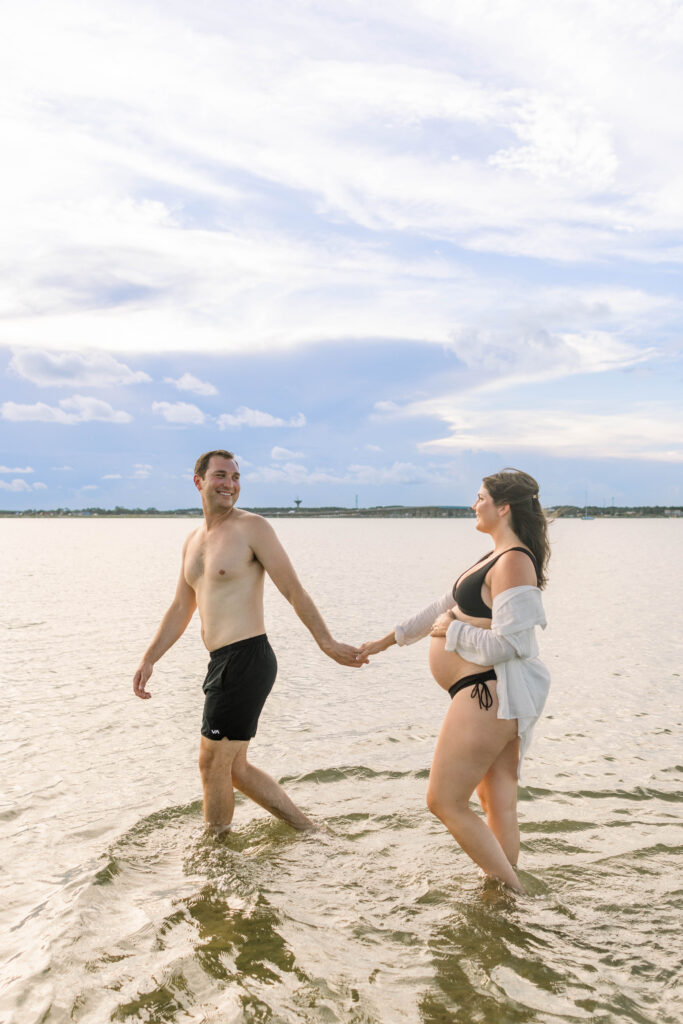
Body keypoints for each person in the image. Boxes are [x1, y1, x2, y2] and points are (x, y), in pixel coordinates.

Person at [133, 449, 367, 834]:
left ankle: (216, 851)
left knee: (212, 764)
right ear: (199, 482)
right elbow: (180, 606)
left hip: (247, 657)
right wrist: (149, 658)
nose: (230, 484)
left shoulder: (252, 528)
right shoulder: (192, 541)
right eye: (221, 476)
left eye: (236, 477)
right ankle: (311, 832)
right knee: (235, 768)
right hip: (220, 662)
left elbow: (294, 590)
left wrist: (326, 642)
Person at [360, 469, 550, 892]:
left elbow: (511, 644)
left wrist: (451, 630)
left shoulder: (515, 561)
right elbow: (442, 605)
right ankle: (501, 903)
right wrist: (384, 642)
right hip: (488, 693)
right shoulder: (493, 557)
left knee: (443, 800)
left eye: (480, 497)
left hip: (488, 692)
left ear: (503, 508)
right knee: (495, 804)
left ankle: (512, 895)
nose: (473, 504)